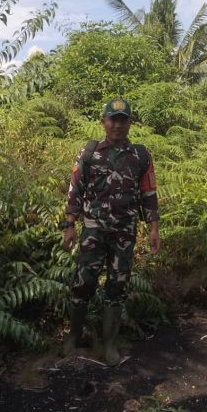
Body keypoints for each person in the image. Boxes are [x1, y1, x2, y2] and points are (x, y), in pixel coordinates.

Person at [61, 98, 161, 366]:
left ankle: (109, 344)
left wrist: (153, 228)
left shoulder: (140, 155)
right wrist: (70, 225)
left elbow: (148, 193)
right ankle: (74, 335)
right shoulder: (89, 152)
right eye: (112, 119)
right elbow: (75, 190)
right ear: (104, 122)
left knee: (117, 286)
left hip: (124, 232)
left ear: (129, 123)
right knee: (83, 283)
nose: (117, 124)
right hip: (93, 230)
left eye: (123, 119)